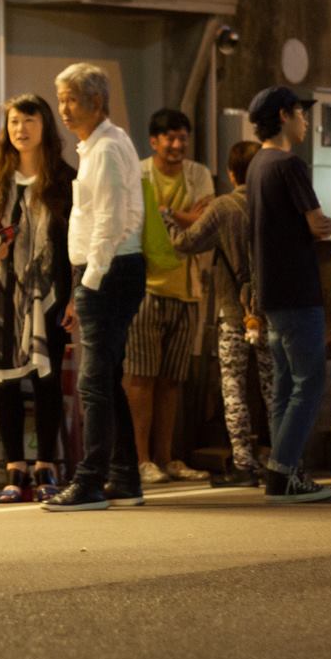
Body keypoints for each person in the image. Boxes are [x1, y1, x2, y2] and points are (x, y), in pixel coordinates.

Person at [43, 63, 149, 512]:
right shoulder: (103, 143)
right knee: (104, 376)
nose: (63, 109)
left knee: (93, 382)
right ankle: (123, 475)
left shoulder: (105, 149)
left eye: (71, 99)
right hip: (112, 270)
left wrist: (88, 281)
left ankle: (90, 480)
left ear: (97, 102)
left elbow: (110, 220)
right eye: (61, 98)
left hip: (108, 271)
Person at [245, 86, 331, 504]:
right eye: (302, 113)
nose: (307, 120)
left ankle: (282, 471)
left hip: (269, 290)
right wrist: (318, 224)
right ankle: (284, 472)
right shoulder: (290, 164)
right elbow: (319, 223)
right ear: (285, 115)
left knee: (284, 385)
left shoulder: (256, 165)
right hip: (298, 290)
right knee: (310, 381)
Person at [0, 94, 74, 502]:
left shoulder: (64, 179)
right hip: (1, 291)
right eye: (15, 122)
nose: (21, 129)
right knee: (5, 382)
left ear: (45, 127)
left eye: (29, 121)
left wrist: (71, 298)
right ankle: (14, 468)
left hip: (47, 293)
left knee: (45, 378)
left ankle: (46, 466)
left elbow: (74, 243)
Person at [170, 139, 272, 485]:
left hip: (233, 312)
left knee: (233, 386)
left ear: (231, 173)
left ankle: (243, 463)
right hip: (271, 310)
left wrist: (169, 218)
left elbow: (185, 244)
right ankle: (283, 460)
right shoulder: (273, 205)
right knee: (274, 387)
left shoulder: (223, 207)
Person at [125, 109, 216, 486]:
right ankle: (140, 459)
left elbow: (207, 221)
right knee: (141, 377)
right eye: (169, 138)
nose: (177, 145)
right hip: (144, 287)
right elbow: (135, 222)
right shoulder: (139, 173)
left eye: (182, 138)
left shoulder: (198, 174)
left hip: (187, 287)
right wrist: (182, 216)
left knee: (172, 380)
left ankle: (167, 457)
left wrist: (165, 212)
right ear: (154, 141)